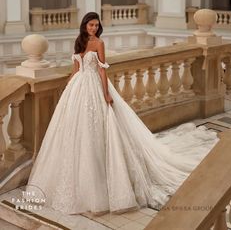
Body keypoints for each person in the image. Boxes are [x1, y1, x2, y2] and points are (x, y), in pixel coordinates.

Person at [26, 12, 219, 215]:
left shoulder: (99, 44)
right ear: (84, 26)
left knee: (97, 129)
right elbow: (76, 68)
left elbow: (101, 71)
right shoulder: (79, 42)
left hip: (94, 87)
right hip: (78, 87)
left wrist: (106, 93)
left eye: (95, 25)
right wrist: (68, 87)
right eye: (90, 24)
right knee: (74, 132)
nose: (93, 28)